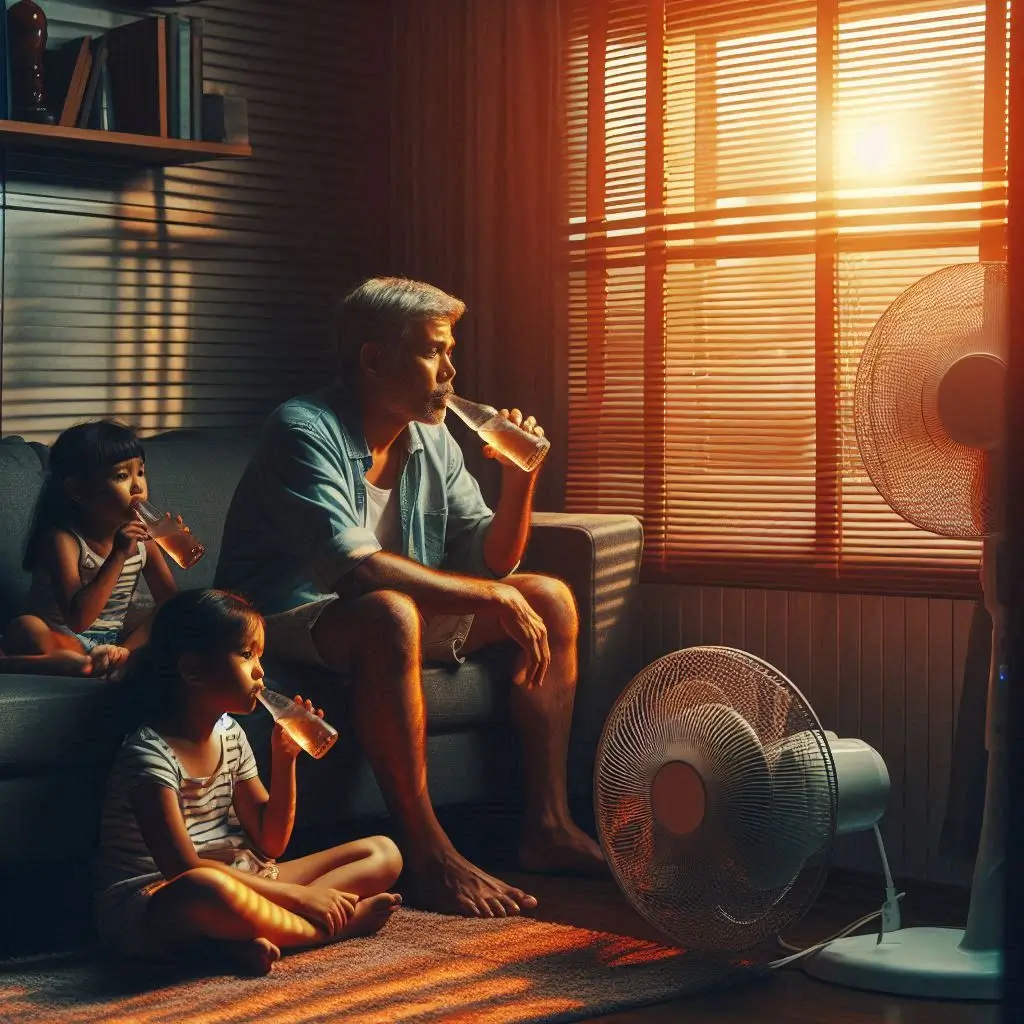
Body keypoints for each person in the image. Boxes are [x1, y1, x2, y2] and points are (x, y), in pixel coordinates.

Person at [215, 276, 605, 920]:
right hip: (277, 614)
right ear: (373, 359)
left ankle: (549, 825)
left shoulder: (432, 436)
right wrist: (491, 597)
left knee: (549, 598)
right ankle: (428, 854)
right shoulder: (302, 428)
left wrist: (519, 483)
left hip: (375, 611)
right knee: (393, 612)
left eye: (450, 352)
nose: (450, 371)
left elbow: (491, 559)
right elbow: (356, 573)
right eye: (433, 351)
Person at [94, 589, 403, 976]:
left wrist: (284, 759)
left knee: (383, 852)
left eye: (259, 656)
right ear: (193, 670)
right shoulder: (149, 755)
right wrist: (301, 898)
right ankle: (326, 930)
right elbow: (183, 868)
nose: (259, 670)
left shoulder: (230, 734)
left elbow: (271, 843)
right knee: (206, 889)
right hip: (160, 899)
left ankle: (234, 941)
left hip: (242, 877)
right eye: (245, 654)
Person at [1, 420, 178, 679]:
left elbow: (170, 603)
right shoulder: (63, 540)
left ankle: (100, 662)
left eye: (140, 472)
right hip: (61, 638)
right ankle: (21, 663)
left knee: (170, 620)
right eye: (121, 476)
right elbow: (78, 620)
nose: (137, 486)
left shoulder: (145, 540)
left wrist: (123, 651)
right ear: (78, 491)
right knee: (27, 627)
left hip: (111, 642)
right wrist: (118, 555)